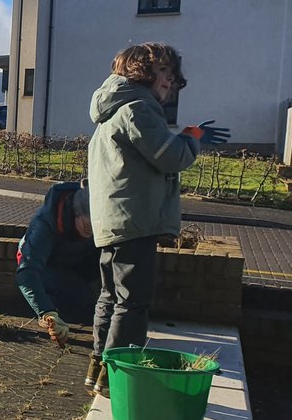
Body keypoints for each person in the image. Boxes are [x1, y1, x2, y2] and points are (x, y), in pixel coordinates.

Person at [85, 42, 229, 396]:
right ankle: (116, 377)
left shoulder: (112, 110)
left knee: (111, 297)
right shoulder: (137, 109)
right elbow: (171, 157)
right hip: (135, 221)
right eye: (165, 73)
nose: (171, 82)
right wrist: (195, 136)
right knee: (134, 302)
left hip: (115, 222)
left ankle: (97, 368)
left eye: (173, 76)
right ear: (142, 71)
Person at [15, 180, 98, 349]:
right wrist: (47, 312)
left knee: (83, 299)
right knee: (75, 295)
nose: (91, 231)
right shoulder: (45, 225)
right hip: (45, 267)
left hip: (73, 265)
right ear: (75, 213)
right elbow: (27, 271)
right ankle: (49, 313)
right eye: (87, 224)